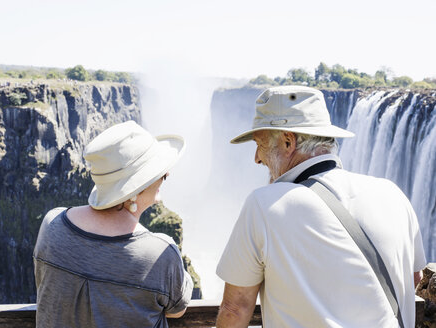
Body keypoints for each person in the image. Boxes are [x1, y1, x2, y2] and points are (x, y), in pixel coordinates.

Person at [216, 86, 426, 328]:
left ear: (287, 142)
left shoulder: (264, 205)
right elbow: (413, 279)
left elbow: (235, 309)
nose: (256, 158)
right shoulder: (393, 194)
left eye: (260, 144)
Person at [33, 121, 193, 327]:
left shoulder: (52, 225)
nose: (167, 175)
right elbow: (177, 310)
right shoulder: (160, 254)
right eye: (161, 173)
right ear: (136, 189)